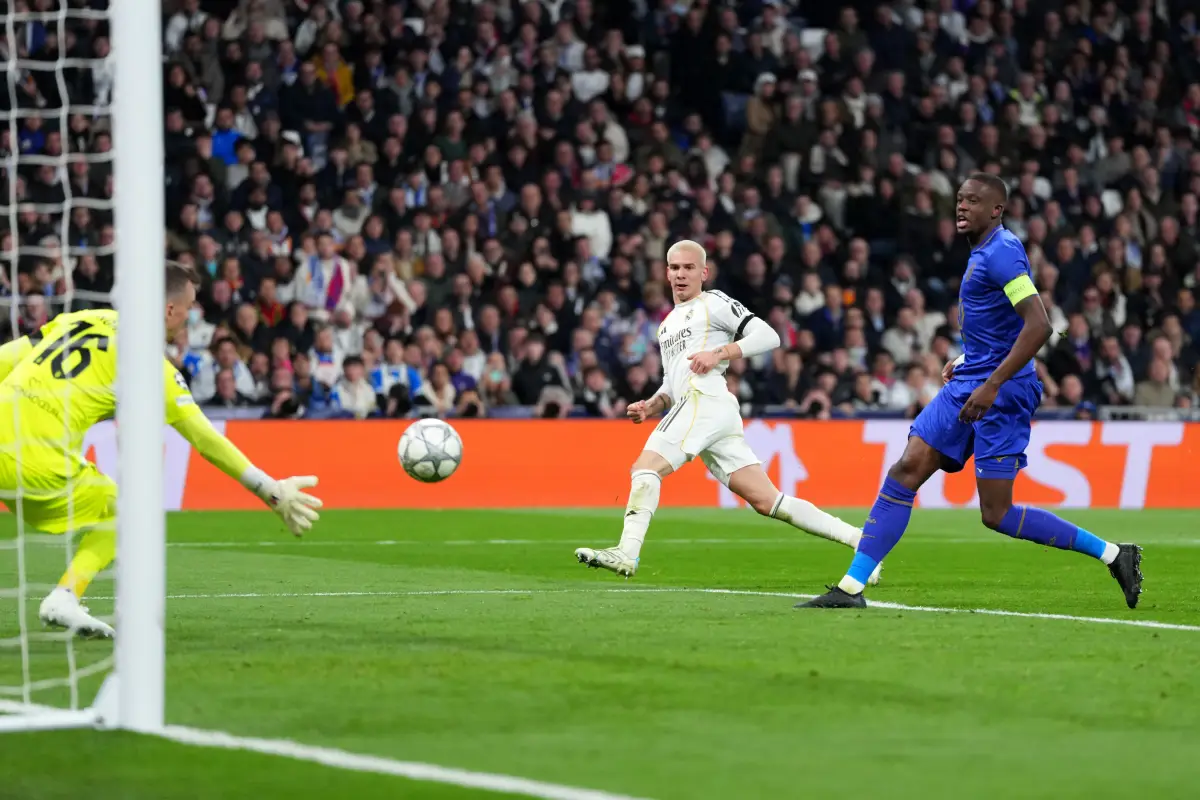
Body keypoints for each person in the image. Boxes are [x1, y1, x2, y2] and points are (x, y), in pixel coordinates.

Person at [799, 175, 1142, 610]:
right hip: (971, 379)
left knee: (996, 514)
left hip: (1003, 391)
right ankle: (851, 588)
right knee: (907, 468)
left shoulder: (1001, 253)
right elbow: (1002, 325)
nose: (962, 207)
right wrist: (966, 360)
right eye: (960, 199)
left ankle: (1115, 554)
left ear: (997, 210)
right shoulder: (982, 252)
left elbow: (1038, 325)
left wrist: (992, 383)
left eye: (974, 201)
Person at [0, 262, 323, 638]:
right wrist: (269, 488)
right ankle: (66, 596)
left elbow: (7, 357)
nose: (192, 314)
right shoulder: (152, 369)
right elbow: (206, 439)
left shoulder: (85, 319)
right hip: (37, 454)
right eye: (191, 305)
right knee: (128, 514)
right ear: (171, 310)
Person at [575, 240, 881, 583]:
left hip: (703, 399)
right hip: (700, 406)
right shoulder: (665, 327)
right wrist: (651, 405)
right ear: (665, 272)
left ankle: (627, 552)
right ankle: (862, 541)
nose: (680, 274)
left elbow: (769, 336)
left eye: (689, 268)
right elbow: (671, 382)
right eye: (674, 267)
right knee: (768, 501)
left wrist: (720, 353)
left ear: (703, 273)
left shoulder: (713, 303)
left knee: (646, 468)